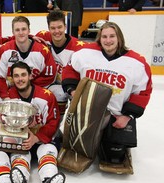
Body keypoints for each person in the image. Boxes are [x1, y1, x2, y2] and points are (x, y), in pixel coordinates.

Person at [61, 22, 152, 174]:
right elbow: (69, 69)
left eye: (112, 36)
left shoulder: (137, 63)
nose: (108, 40)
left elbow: (143, 91)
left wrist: (127, 116)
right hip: (87, 113)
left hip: (115, 116)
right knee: (78, 149)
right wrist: (72, 90)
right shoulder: (85, 53)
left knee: (114, 156)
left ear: (119, 38)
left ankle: (113, 144)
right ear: (99, 38)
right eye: (104, 36)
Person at [8, 61, 65, 183]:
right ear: (12, 79)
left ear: (30, 76)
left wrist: (37, 137)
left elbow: (53, 122)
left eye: (23, 75)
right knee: (18, 154)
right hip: (21, 140)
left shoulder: (46, 96)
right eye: (16, 76)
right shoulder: (9, 96)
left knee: (48, 150)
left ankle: (48, 180)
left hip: (42, 140)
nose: (20, 79)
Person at [0, 15, 57, 99]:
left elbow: (50, 76)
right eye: (17, 30)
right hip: (11, 92)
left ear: (29, 31)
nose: (21, 33)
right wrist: (5, 96)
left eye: (23, 29)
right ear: (13, 32)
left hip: (36, 91)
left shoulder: (42, 51)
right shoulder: (4, 50)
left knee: (58, 94)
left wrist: (28, 88)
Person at [36, 10, 85, 114]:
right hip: (46, 82)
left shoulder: (78, 47)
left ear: (65, 26)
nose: (56, 31)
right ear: (48, 28)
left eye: (59, 27)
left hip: (67, 86)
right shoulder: (43, 37)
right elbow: (25, 39)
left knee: (60, 94)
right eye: (53, 28)